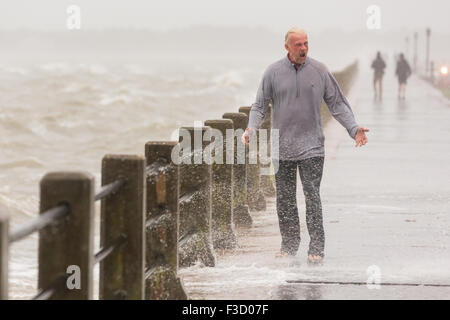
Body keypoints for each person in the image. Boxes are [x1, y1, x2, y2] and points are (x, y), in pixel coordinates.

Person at [241, 27, 369, 265]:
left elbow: (337, 103)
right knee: (285, 199)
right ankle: (289, 245)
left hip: (312, 147)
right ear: (287, 47)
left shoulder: (319, 71)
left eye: (306, 44)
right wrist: (251, 128)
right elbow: (259, 106)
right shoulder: (273, 72)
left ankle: (317, 247)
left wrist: (353, 129)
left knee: (312, 196)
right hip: (283, 147)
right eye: (298, 45)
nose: (303, 49)